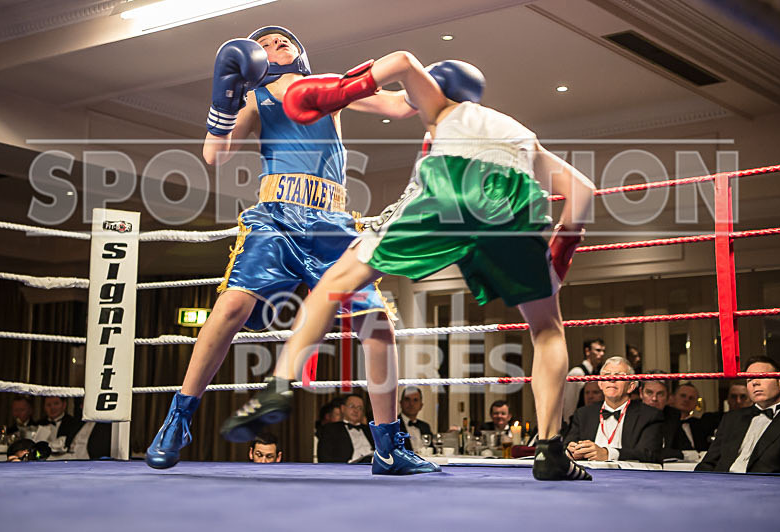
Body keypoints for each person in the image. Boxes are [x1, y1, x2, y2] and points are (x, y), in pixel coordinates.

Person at [232, 51, 596, 480]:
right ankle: (551, 450)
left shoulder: (441, 107)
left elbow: (404, 61)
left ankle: (280, 383)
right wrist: (559, 253)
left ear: (435, 90)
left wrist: (339, 91)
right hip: (513, 198)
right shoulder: (520, 132)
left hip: (449, 181)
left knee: (336, 281)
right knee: (548, 330)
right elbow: (584, 190)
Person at [145, 26, 418, 470]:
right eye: (266, 43)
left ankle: (389, 447)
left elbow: (401, 105)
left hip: (331, 223)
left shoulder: (326, 86)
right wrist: (223, 99)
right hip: (275, 217)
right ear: (256, 60)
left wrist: (431, 84)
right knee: (231, 306)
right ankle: (178, 419)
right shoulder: (254, 99)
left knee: (378, 327)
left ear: (300, 51)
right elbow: (216, 155)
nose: (276, 44)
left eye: (284, 39)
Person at [565, 357, 663, 463]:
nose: (612, 380)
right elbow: (566, 446)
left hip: (630, 477)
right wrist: (570, 451)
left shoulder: (649, 415)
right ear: (600, 384)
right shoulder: (583, 414)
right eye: (607, 375)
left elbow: (650, 454)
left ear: (631, 386)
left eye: (619, 376)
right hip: (588, 475)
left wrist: (608, 454)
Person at [696, 356, 780, 473]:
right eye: (749, 380)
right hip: (720, 485)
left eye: (762, 376)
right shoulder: (732, 418)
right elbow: (708, 463)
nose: (755, 383)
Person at [317, 394, 375, 463]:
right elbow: (324, 458)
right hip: (348, 469)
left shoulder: (371, 430)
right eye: (352, 406)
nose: (356, 410)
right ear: (343, 408)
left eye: (360, 408)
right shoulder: (331, 429)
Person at [562, 339, 606, 424]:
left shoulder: (597, 372)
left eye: (603, 351)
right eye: (598, 350)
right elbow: (569, 404)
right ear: (587, 351)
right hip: (577, 422)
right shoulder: (577, 373)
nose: (602, 354)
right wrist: (569, 424)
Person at [398, 387, 434, 451]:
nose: (411, 404)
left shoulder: (425, 427)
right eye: (407, 399)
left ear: (421, 405)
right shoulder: (394, 425)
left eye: (415, 400)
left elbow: (432, 450)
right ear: (401, 403)